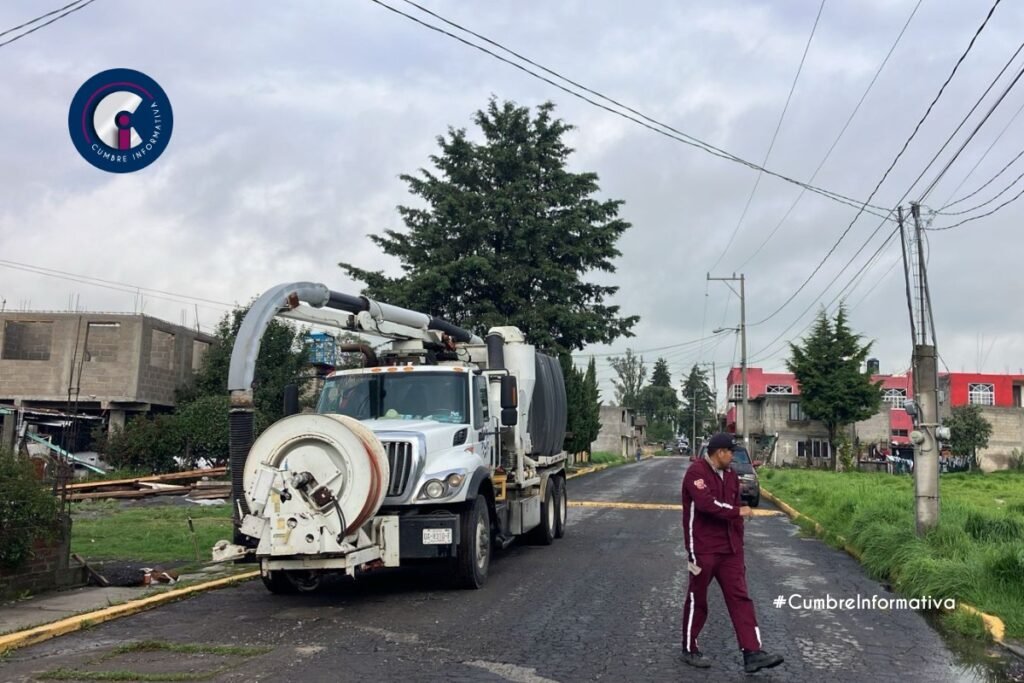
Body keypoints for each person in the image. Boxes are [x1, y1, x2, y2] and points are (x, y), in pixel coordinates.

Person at [680, 432, 783, 673]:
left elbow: (736, 509)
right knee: (698, 598)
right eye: (730, 452)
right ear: (719, 453)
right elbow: (707, 505)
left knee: (741, 598)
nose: (733, 456)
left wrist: (739, 543)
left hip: (730, 550)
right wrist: (738, 512)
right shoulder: (696, 473)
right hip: (703, 548)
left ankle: (752, 652)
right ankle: (689, 648)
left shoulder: (731, 476)